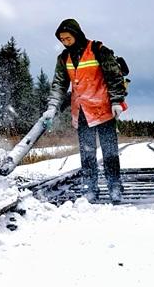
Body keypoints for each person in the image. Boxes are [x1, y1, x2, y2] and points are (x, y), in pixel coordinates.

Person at [42, 19, 128, 202]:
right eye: (62, 40)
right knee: (87, 153)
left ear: (76, 34)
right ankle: (90, 189)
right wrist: (52, 107)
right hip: (81, 112)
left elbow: (114, 76)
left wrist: (116, 101)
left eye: (68, 38)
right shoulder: (64, 58)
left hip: (103, 109)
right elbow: (59, 84)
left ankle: (114, 187)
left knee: (110, 152)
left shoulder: (98, 50)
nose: (65, 42)